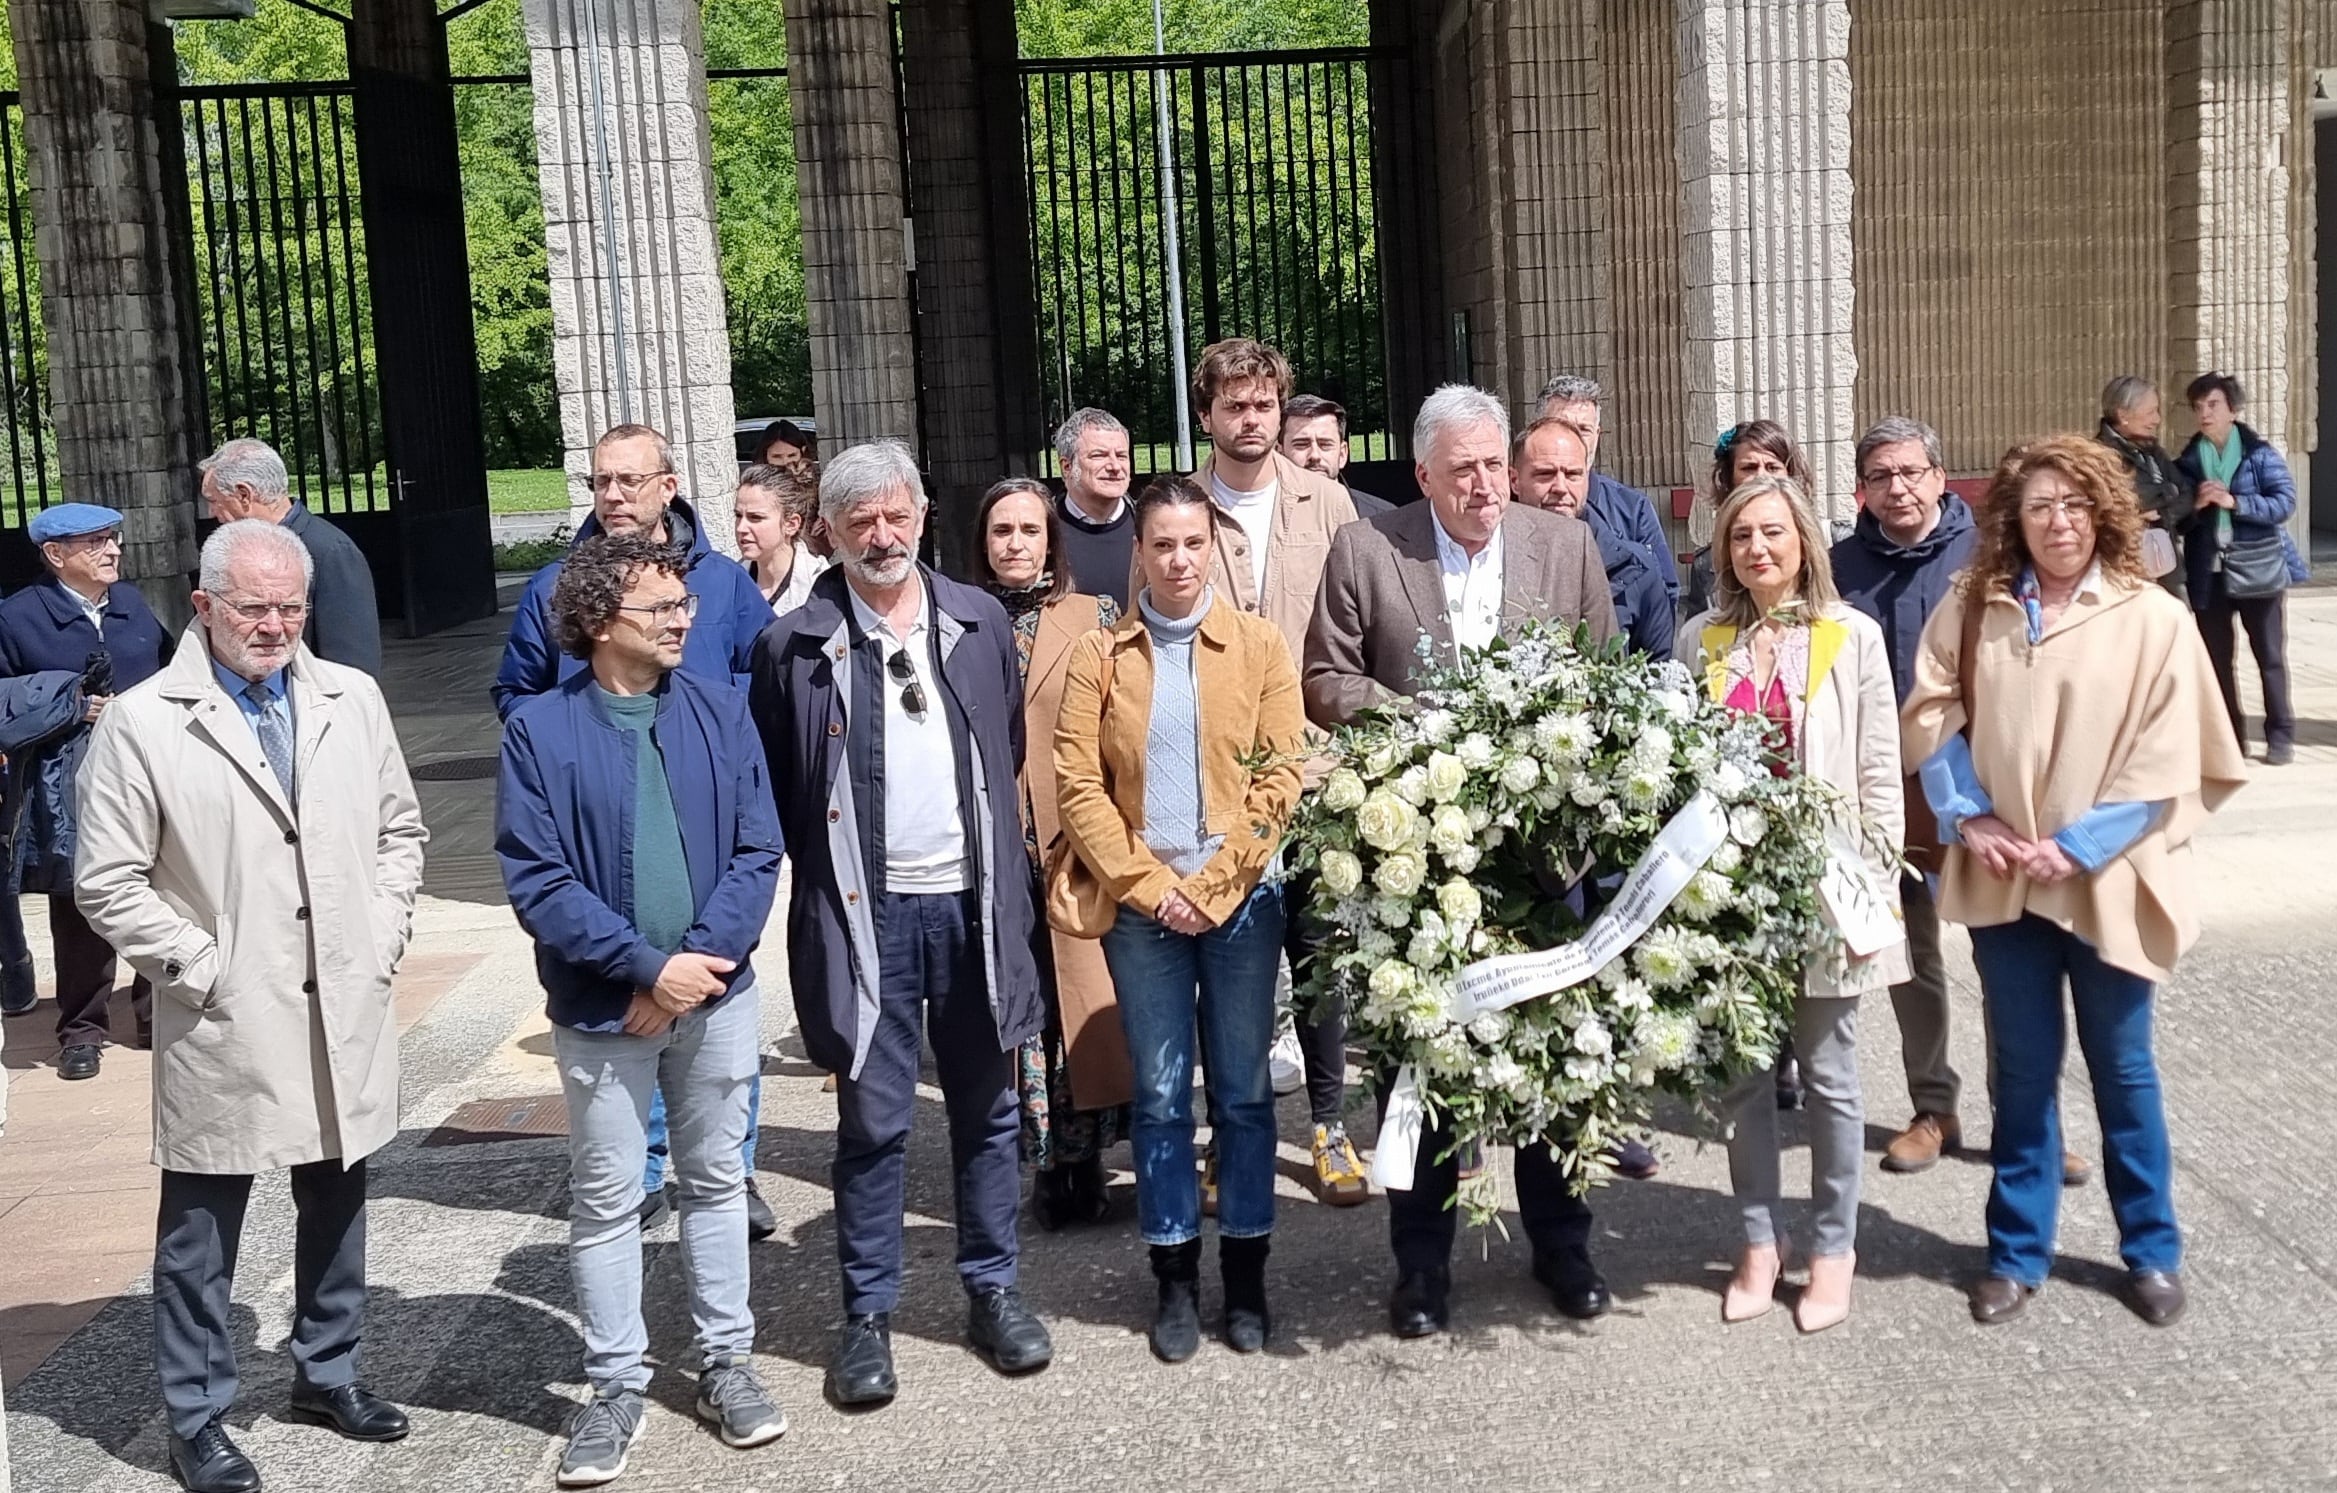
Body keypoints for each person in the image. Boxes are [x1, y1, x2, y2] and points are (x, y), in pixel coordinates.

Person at [73, 519, 427, 1493]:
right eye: (252, 607)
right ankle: (196, 1415)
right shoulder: (145, 721)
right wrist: (198, 962)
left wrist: (382, 930)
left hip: (339, 998)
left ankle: (329, 1367)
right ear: (204, 606)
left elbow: (400, 828)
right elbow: (104, 879)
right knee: (200, 1225)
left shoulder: (350, 698)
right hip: (227, 1010)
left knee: (338, 1191)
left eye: (290, 606)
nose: (274, 625)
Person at [1902, 434, 2248, 1328]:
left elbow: (2169, 752)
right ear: (2014, 520)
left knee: (2123, 1072)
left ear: (2106, 511)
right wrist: (1967, 813)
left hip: (2105, 879)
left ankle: (2150, 1250)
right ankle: (2016, 1251)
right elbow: (1932, 702)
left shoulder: (2150, 616)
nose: (2059, 522)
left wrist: (2080, 844)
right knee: (2020, 1074)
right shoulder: (1975, 604)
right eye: (2039, 506)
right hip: (2004, 878)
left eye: (2074, 504)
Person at [1305, 384, 1619, 1336]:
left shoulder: (1560, 547)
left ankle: (1562, 1244)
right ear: (1423, 476)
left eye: (1494, 465)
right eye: (1464, 470)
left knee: (1555, 1059)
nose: (1485, 486)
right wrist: (1423, 727)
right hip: (1421, 850)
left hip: (1542, 857)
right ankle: (1422, 1266)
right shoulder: (1369, 547)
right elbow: (1324, 676)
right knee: (1426, 1061)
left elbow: (1605, 674)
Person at [749, 439, 1053, 1406]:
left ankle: (992, 1289)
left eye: (896, 515)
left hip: (972, 907)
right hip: (863, 917)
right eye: (860, 522)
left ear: (922, 514)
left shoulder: (974, 620)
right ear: (826, 532)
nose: (882, 535)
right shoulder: (790, 646)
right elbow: (786, 791)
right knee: (873, 1123)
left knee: (988, 1111)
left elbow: (1002, 750)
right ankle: (866, 1316)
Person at [496, 533, 787, 1486]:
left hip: (712, 998)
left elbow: (757, 849)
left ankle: (724, 1364)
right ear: (596, 623)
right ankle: (615, 1385)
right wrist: (642, 971)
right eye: (661, 609)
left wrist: (695, 967)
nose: (684, 620)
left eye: (682, 604)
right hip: (602, 1008)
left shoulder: (717, 709)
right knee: (610, 1197)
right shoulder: (539, 730)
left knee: (711, 1180)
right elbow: (538, 881)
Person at [494, 424, 780, 1235]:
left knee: (716, 1011)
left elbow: (764, 684)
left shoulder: (723, 584)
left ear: (668, 484)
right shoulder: (555, 584)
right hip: (599, 827)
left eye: (628, 480)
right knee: (631, 1017)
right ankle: (647, 1168)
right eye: (600, 481)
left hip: (706, 827)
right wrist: (569, 749)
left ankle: (732, 1168)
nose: (612, 495)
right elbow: (515, 689)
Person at [1054, 475, 1305, 1361]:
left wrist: (1218, 882)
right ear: (1139, 553)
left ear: (1213, 548)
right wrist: (1143, 881)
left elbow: (1282, 773)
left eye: (1192, 542)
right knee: (1160, 1098)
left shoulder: (1261, 646)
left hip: (1238, 904)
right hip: (1140, 906)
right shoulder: (1100, 656)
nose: (1177, 558)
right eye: (1160, 544)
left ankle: (1245, 1274)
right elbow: (1077, 782)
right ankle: (1172, 1276)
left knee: (1240, 1093)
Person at [1679, 473, 1906, 1333]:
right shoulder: (1701, 638)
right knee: (1741, 1080)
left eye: (1772, 533)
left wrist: (1872, 894)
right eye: (1741, 537)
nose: (1757, 549)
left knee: (1832, 1081)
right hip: (1730, 899)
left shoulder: (1849, 637)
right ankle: (1756, 1243)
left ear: (1803, 540)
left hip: (1824, 893)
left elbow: (1879, 777)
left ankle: (1833, 1248)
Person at [1183, 338, 1367, 1203]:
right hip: (1220, 779)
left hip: (1320, 769)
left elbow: (1359, 618)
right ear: (1207, 415)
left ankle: (1330, 1129)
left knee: (1322, 958)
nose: (1250, 420)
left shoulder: (1327, 503)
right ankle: (1230, 1133)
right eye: (1234, 406)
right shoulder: (1181, 509)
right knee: (1233, 967)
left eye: (1263, 405)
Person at [1830, 417, 2004, 1179]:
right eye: (1879, 476)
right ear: (1859, 489)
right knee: (1913, 958)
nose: (1896, 488)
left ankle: (2022, 1116)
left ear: (1939, 477)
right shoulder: (1836, 568)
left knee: (2005, 960)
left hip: (1983, 788)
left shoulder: (1989, 558)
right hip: (1886, 794)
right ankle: (1932, 1106)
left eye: (1909, 472)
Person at [966, 477, 1132, 1231]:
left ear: (1051, 541)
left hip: (1073, 842)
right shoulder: (955, 620)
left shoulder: (1093, 617)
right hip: (993, 843)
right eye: (1001, 531)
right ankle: (1038, 1168)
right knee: (1020, 1013)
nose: (1015, 543)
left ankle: (1086, 1160)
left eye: (1029, 530)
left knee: (1081, 1009)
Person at [0, 503, 173, 1076]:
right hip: (67, 787)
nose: (113, 550)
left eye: (114, 539)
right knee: (78, 903)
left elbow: (174, 669)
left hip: (150, 775)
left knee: (160, 889)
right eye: (96, 542)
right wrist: (68, 704)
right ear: (55, 555)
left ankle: (156, 1013)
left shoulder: (131, 604)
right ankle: (81, 1028)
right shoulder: (18, 617)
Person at [2177, 372, 2304, 767]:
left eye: (2212, 405)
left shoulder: (2259, 454)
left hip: (2258, 567)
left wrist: (2236, 502)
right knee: (2217, 660)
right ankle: (2231, 738)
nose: (2204, 413)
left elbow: (2284, 504)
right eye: (2198, 407)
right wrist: (2193, 507)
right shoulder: (2189, 460)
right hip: (2209, 573)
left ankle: (2280, 735)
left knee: (2269, 656)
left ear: (2233, 409)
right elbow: (2176, 520)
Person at [199, 438, 382, 675]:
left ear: (244, 495)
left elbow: (353, 666)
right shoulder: (234, 549)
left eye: (214, 501)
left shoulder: (329, 551)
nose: (211, 512)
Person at [1512, 414, 1675, 659]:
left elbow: (1658, 678)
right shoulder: (1490, 562)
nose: (1560, 487)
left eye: (1573, 474)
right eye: (1545, 474)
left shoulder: (1636, 570)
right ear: (1514, 481)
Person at [1535, 373, 1680, 606]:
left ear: (1597, 435)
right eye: (1563, 426)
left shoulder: (1633, 509)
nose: (1575, 439)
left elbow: (1664, 592)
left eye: (1583, 429)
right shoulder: (1515, 504)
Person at [1682, 419, 1811, 622]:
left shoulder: (1835, 545)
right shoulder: (1707, 566)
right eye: (1749, 468)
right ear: (1728, 479)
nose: (1761, 477)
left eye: (1772, 467)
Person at [2096, 375, 2194, 600]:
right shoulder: (2101, 454)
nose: (2157, 419)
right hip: (2125, 564)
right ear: (2123, 415)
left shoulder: (2153, 451)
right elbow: (2127, 498)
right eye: (2151, 412)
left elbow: (2186, 495)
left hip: (2166, 562)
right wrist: (2168, 491)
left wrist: (2162, 513)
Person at [1052, 407, 1137, 603]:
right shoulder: (1042, 532)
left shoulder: (1150, 526)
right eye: (1099, 455)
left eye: (1122, 456)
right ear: (1067, 467)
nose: (1115, 466)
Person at [735, 462, 830, 616]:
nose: (741, 528)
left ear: (791, 524)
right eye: (738, 516)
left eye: (755, 517)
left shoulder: (821, 588)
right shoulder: (728, 582)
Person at [1281, 393, 1393, 516]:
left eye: (1325, 444)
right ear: (1278, 452)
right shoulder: (1263, 518)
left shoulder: (1382, 518)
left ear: (1342, 454)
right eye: (1302, 444)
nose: (1315, 455)